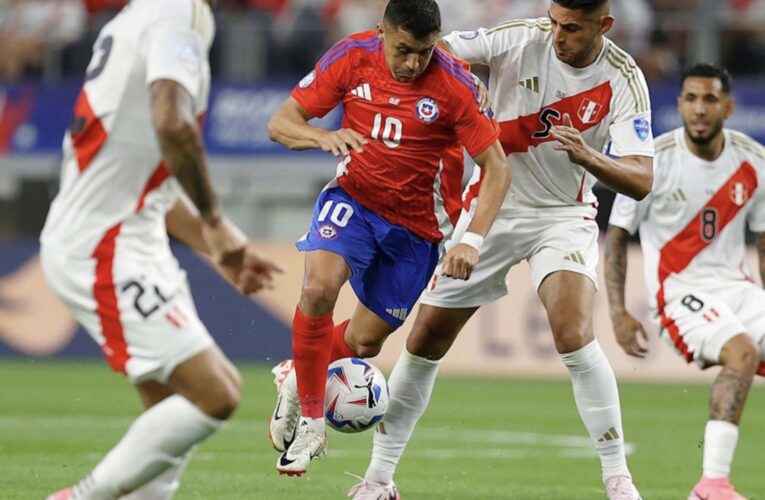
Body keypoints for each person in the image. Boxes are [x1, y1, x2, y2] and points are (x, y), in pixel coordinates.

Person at [350, 0, 655, 498]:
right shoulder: (522, 37)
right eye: (555, 22)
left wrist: (588, 155)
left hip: (562, 215)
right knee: (424, 339)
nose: (557, 35)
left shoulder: (623, 76)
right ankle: (378, 480)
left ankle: (618, 480)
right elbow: (440, 48)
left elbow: (642, 179)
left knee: (574, 334)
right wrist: (464, 77)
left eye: (572, 28)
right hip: (490, 209)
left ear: (605, 25)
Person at [41, 0, 283, 498]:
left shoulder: (140, 17)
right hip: (104, 244)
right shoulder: (179, 11)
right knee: (216, 392)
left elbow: (146, 180)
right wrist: (215, 223)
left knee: (170, 409)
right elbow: (172, 122)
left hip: (129, 235)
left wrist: (220, 246)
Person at [266, 0, 511, 477]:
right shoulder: (351, 56)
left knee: (362, 343)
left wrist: (471, 241)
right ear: (382, 32)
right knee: (317, 288)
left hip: (419, 231)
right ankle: (314, 427)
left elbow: (498, 168)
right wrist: (323, 137)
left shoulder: (456, 85)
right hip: (354, 201)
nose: (414, 63)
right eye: (404, 50)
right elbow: (281, 123)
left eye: (425, 51)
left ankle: (298, 376)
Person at [606, 63, 765, 500]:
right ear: (679, 105)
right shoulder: (652, 163)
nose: (699, 109)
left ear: (728, 107)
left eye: (710, 100)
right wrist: (618, 312)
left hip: (737, 287)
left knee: (747, 350)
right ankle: (711, 486)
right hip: (677, 293)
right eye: (691, 99)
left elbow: (764, 243)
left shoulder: (753, 161)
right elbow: (617, 237)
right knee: (742, 352)